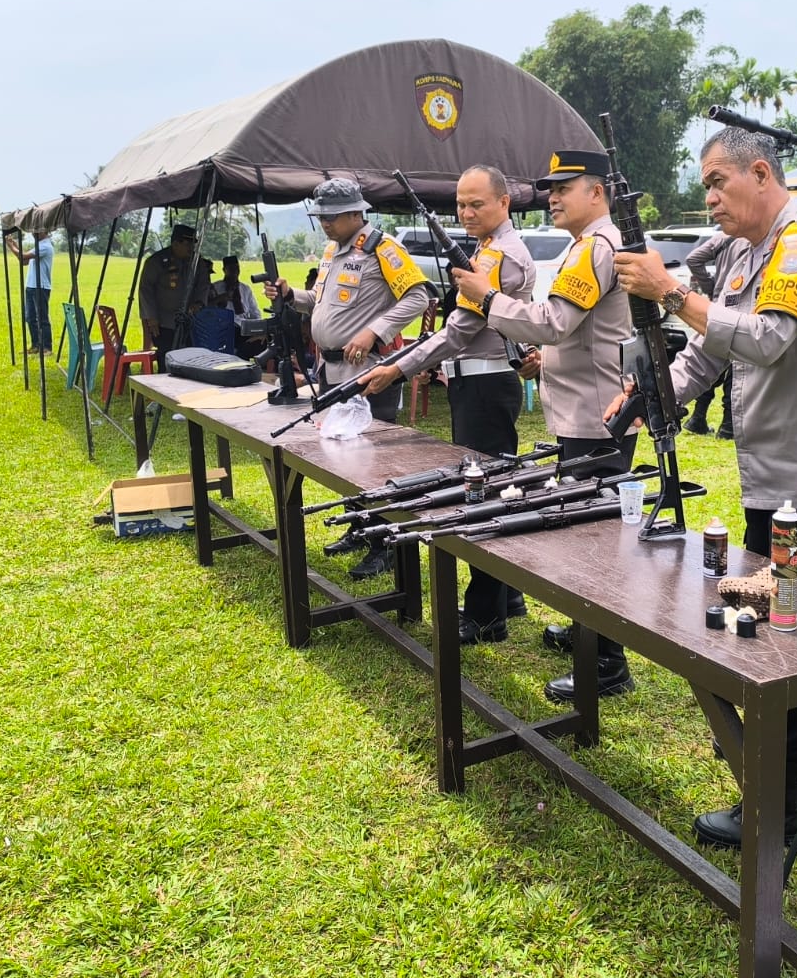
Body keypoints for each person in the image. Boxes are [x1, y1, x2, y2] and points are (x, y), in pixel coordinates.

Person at [612, 125, 797, 852]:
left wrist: (670, 290)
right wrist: (651, 396)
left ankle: (784, 801)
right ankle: (791, 769)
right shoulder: (740, 254)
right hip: (773, 485)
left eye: (716, 183)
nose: (709, 199)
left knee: (795, 642)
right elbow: (706, 355)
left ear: (760, 173)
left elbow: (766, 338)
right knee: (768, 631)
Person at [453, 149, 637, 703]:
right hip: (588, 410)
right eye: (549, 189)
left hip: (595, 418)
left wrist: (488, 300)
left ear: (598, 191)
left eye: (565, 187)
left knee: (593, 544)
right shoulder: (590, 245)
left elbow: (556, 322)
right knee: (586, 533)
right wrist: (545, 360)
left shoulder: (596, 247)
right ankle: (591, 634)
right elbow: (574, 335)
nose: (553, 197)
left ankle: (607, 661)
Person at [362, 165, 537, 639]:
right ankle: (507, 596)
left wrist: (398, 367)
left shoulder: (498, 255)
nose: (466, 212)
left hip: (483, 386)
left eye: (476, 203)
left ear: (504, 203)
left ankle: (485, 616)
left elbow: (459, 331)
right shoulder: (487, 250)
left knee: (483, 496)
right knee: (495, 488)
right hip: (476, 386)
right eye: (460, 204)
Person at [268, 177, 434, 580]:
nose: (324, 223)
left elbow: (419, 296)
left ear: (356, 212)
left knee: (374, 462)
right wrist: (293, 296)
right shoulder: (333, 251)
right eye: (320, 216)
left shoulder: (383, 247)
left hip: (367, 370)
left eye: (331, 216)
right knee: (345, 458)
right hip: (333, 369)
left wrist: (374, 330)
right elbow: (322, 303)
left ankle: (385, 543)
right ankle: (360, 527)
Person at [683, 231, 735, 438]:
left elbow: (693, 259)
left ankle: (698, 417)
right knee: (735, 367)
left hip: (717, 305)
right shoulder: (752, 237)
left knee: (710, 359)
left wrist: (711, 287)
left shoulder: (724, 237)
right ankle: (728, 426)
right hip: (740, 306)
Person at [139, 223, 213, 366]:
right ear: (175, 244)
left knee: (191, 356)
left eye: (193, 245)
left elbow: (203, 285)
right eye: (188, 244)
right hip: (164, 320)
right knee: (166, 355)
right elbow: (145, 290)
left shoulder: (198, 263)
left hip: (190, 319)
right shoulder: (157, 261)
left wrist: (199, 303)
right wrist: (151, 317)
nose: (191, 248)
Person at [7, 227, 54, 354]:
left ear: (45, 231)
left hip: (41, 286)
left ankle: (47, 347)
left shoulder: (45, 246)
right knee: (30, 317)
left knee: (42, 318)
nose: (34, 233)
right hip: (31, 286)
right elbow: (24, 261)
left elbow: (22, 256)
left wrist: (11, 246)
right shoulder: (39, 246)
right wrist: (15, 246)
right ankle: (36, 345)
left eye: (37, 231)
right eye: (33, 231)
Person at [211, 254, 264, 359]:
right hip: (223, 327)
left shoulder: (245, 289)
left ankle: (240, 354)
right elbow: (209, 308)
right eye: (231, 269)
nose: (235, 271)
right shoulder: (216, 287)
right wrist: (221, 299)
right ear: (224, 270)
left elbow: (255, 313)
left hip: (242, 327)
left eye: (237, 268)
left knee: (263, 341)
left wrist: (257, 331)